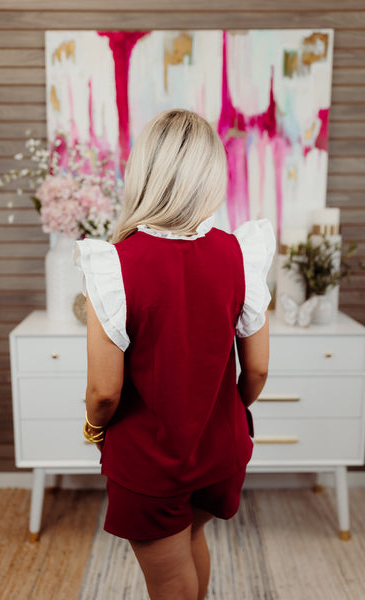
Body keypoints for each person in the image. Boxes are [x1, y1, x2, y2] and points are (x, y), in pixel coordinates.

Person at [75, 109, 275, 600]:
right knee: (193, 537)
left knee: (167, 579)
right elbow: (257, 368)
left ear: (143, 173)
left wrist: (94, 431)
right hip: (220, 451)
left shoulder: (113, 265)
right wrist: (228, 413)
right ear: (210, 176)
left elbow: (104, 392)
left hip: (151, 463)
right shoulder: (239, 253)